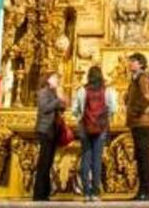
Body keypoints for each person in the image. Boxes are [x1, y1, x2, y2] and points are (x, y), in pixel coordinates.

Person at [73, 66, 117, 202]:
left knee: (86, 158)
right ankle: (95, 193)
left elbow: (75, 109)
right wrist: (105, 117)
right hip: (101, 127)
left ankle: (86, 192)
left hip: (85, 127)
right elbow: (113, 108)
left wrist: (82, 116)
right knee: (97, 159)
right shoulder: (108, 90)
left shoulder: (82, 90)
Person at [125, 53, 149, 201]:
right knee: (141, 156)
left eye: (133, 61)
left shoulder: (142, 78)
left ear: (141, 63)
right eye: (130, 61)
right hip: (138, 122)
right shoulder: (135, 79)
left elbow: (147, 98)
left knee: (144, 157)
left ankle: (147, 191)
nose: (130, 63)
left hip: (142, 121)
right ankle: (142, 190)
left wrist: (134, 110)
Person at [33, 71, 66, 201]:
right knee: (44, 162)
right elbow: (44, 107)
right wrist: (58, 101)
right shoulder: (43, 92)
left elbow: (61, 107)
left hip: (53, 130)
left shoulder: (53, 93)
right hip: (45, 129)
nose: (57, 80)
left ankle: (45, 193)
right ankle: (38, 194)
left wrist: (61, 101)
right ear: (48, 80)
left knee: (48, 162)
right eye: (55, 78)